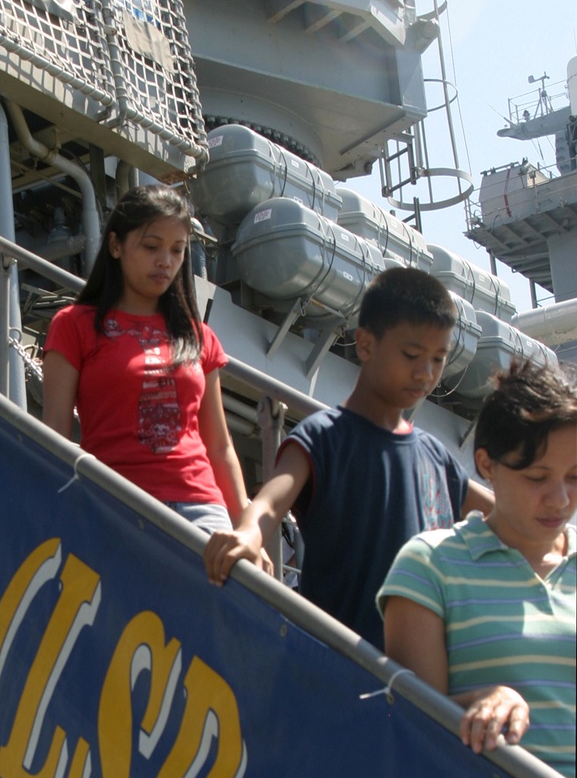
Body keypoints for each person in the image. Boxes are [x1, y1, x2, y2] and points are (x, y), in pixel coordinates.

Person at [204, 266, 493, 648]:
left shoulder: (438, 459)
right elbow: (270, 505)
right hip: (344, 662)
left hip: (426, 677)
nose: (426, 373)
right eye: (412, 354)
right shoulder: (324, 436)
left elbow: (505, 518)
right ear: (365, 344)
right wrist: (246, 533)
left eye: (438, 359)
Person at [379, 360, 577, 778]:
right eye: (537, 477)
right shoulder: (430, 565)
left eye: (575, 477)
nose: (560, 499)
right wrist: (479, 702)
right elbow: (414, 731)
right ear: (487, 466)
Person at [41, 184, 255, 536]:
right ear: (115, 245)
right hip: (114, 504)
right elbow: (55, 436)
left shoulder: (198, 335)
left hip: (202, 510)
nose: (166, 261)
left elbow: (218, 445)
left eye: (177, 250)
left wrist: (246, 527)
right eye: (152, 246)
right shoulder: (73, 325)